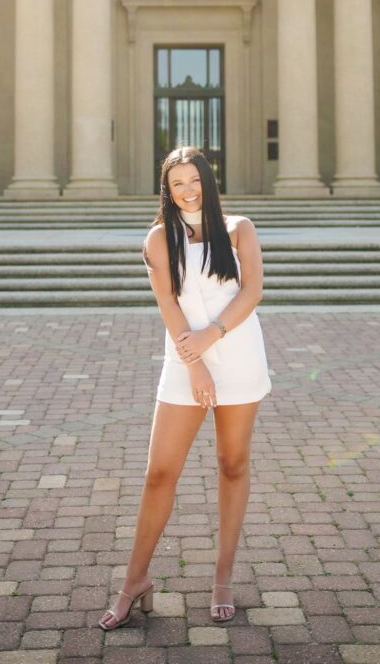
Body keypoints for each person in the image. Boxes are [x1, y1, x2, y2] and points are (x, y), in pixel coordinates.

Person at [98, 146, 272, 631]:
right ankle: (134, 581)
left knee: (232, 464)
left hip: (237, 354)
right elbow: (169, 306)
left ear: (208, 182)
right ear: (167, 189)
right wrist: (194, 363)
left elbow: (252, 290)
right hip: (184, 360)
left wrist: (212, 336)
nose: (188, 190)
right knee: (160, 472)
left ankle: (222, 577)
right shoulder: (158, 238)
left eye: (195, 180)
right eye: (178, 183)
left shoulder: (239, 229)